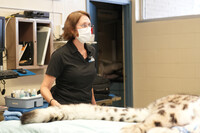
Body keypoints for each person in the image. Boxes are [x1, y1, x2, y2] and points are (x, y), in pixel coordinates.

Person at [40, 10, 97, 106]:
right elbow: (44, 88)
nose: (88, 29)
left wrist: (94, 107)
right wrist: (55, 104)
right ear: (72, 29)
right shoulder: (60, 55)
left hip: (85, 109)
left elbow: (88, 85)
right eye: (83, 25)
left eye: (89, 25)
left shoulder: (91, 51)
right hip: (65, 109)